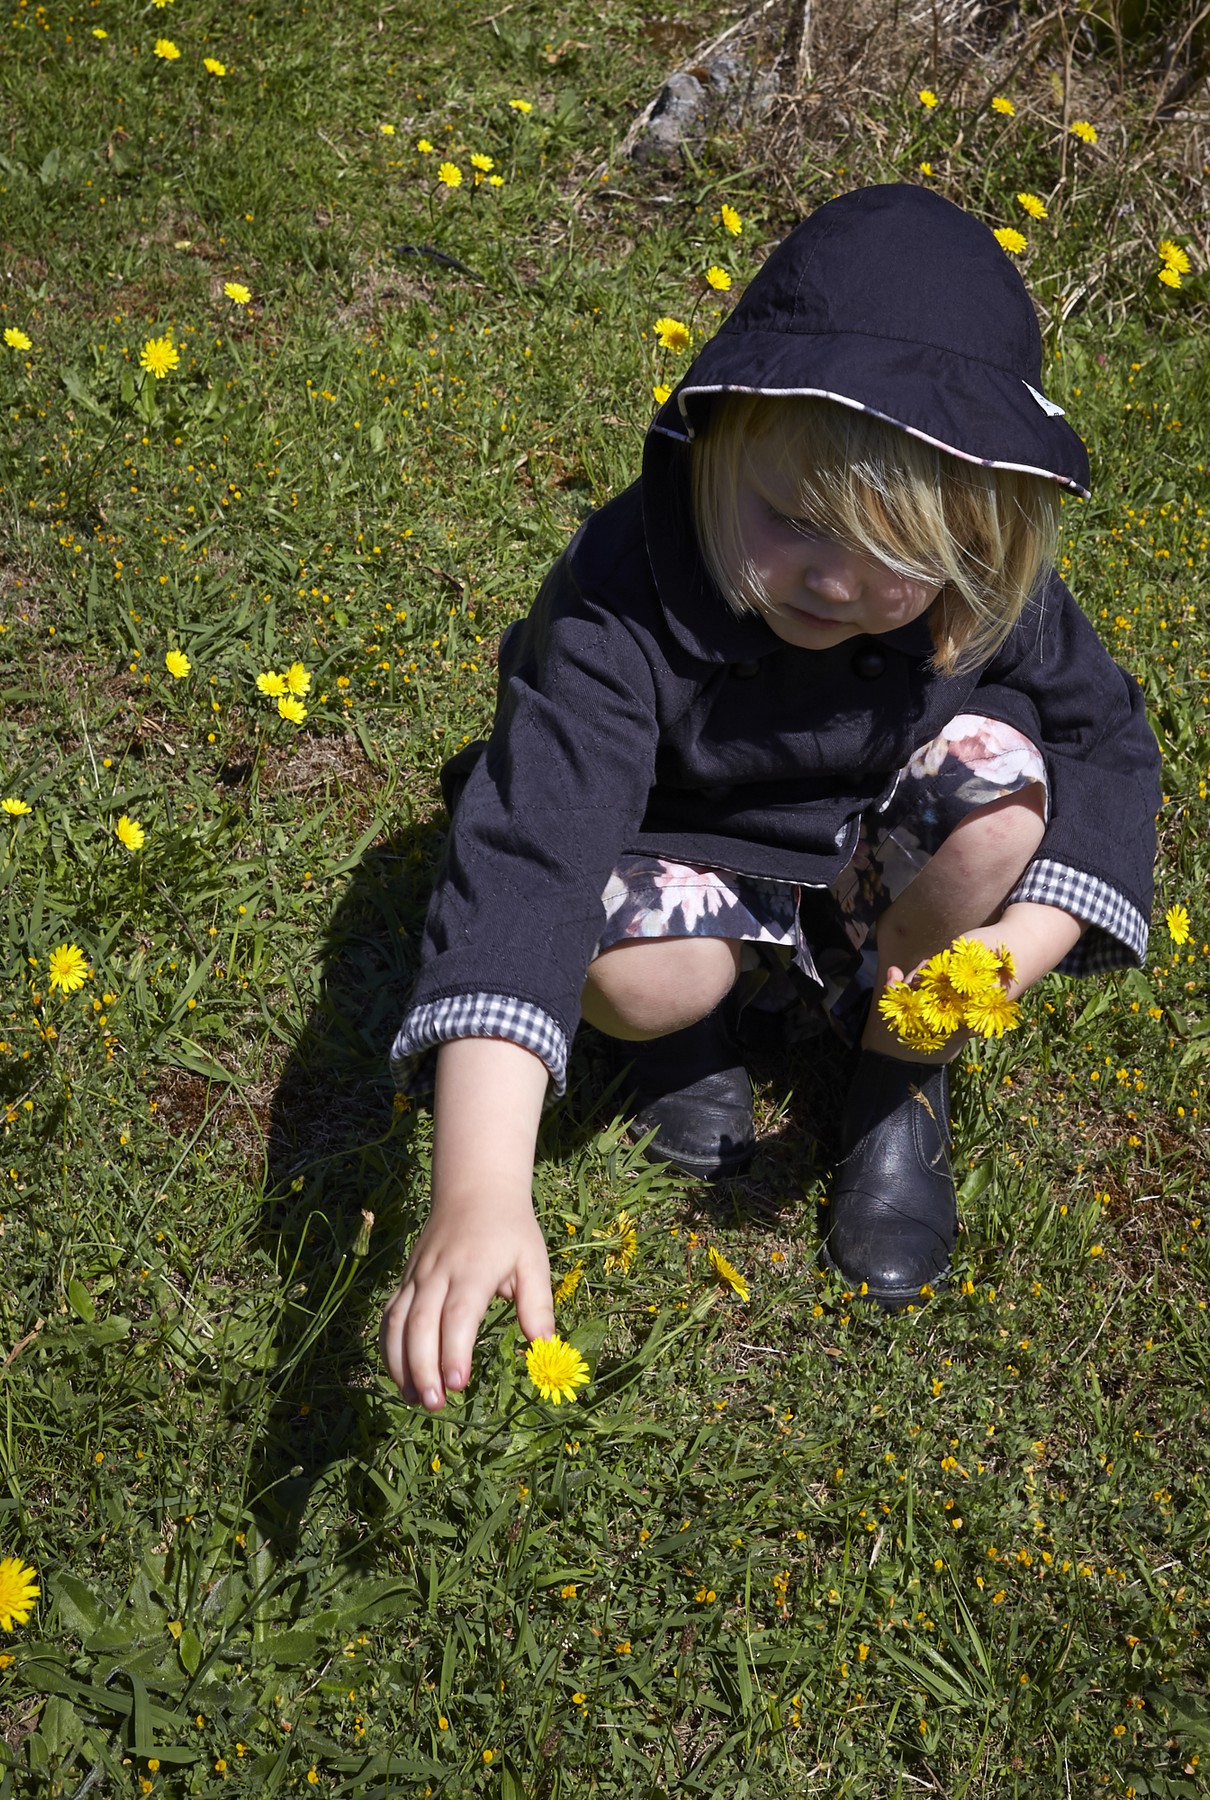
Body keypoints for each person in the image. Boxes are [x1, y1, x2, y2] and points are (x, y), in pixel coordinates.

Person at [378, 184, 1161, 1409]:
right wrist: (478, 1189)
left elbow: (1107, 741)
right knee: (641, 974)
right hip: (683, 850)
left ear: (978, 540)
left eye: (897, 556)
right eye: (791, 518)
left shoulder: (983, 595)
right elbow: (532, 854)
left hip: (874, 871)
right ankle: (690, 1026)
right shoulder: (622, 593)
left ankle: (894, 1058)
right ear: (721, 434)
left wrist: (1021, 943)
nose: (836, 581)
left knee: (1002, 793)